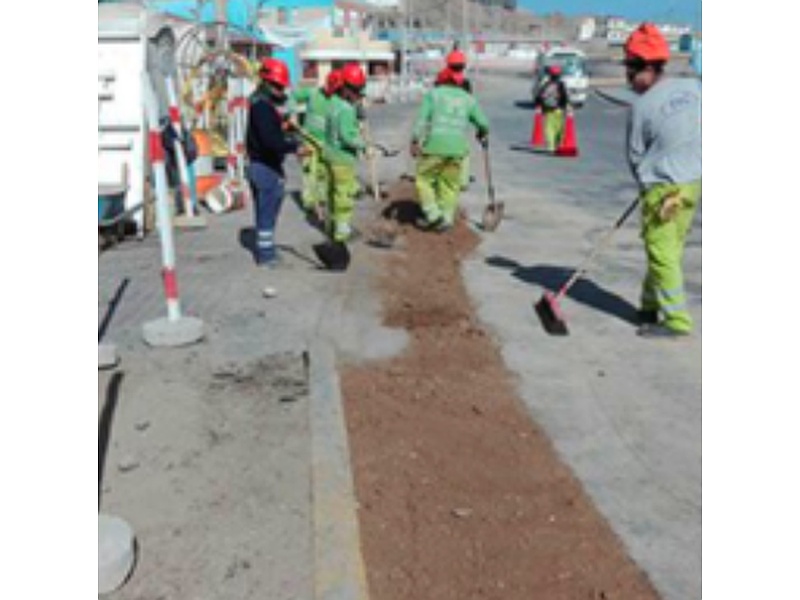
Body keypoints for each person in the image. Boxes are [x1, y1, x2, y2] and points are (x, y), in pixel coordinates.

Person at [623, 23, 702, 339]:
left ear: (645, 67)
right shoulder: (693, 88)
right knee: (669, 248)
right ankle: (648, 305)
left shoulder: (642, 107)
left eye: (630, 69)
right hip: (692, 183)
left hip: (662, 190)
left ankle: (676, 321)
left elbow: (634, 156)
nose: (627, 77)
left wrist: (645, 184)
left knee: (661, 252)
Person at [410, 66, 489, 231]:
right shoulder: (468, 98)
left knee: (424, 180)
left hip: (434, 147)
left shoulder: (433, 95)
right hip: (457, 150)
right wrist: (482, 132)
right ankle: (446, 219)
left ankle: (433, 215)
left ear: (441, 81)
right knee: (450, 185)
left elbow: (421, 120)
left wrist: (415, 140)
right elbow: (483, 123)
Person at [245, 57, 302, 267]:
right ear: (266, 83)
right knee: (267, 212)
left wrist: (284, 128)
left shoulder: (262, 105)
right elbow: (270, 142)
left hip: (263, 165)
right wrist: (294, 147)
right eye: (278, 87)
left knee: (266, 211)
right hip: (264, 167)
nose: (281, 91)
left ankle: (266, 250)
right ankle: (266, 256)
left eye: (282, 87)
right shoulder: (262, 108)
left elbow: (269, 134)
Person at [324, 63, 368, 243]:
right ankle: (342, 233)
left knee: (332, 194)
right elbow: (347, 136)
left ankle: (332, 227)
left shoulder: (332, 104)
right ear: (346, 88)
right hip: (343, 160)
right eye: (356, 90)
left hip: (329, 156)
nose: (358, 95)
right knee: (344, 196)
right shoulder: (347, 109)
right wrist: (363, 145)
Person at [290, 69, 343, 219]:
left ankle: (321, 201)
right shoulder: (313, 93)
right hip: (309, 140)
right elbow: (292, 96)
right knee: (308, 171)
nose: (329, 90)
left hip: (325, 143)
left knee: (322, 173)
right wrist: (293, 114)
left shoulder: (337, 101)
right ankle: (309, 203)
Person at [533, 64, 570, 152]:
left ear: (550, 75)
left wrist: (538, 106)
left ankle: (551, 146)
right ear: (559, 75)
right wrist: (566, 106)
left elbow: (539, 96)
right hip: (559, 110)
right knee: (559, 128)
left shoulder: (546, 84)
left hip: (548, 110)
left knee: (549, 128)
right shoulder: (561, 84)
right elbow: (565, 97)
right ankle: (558, 145)